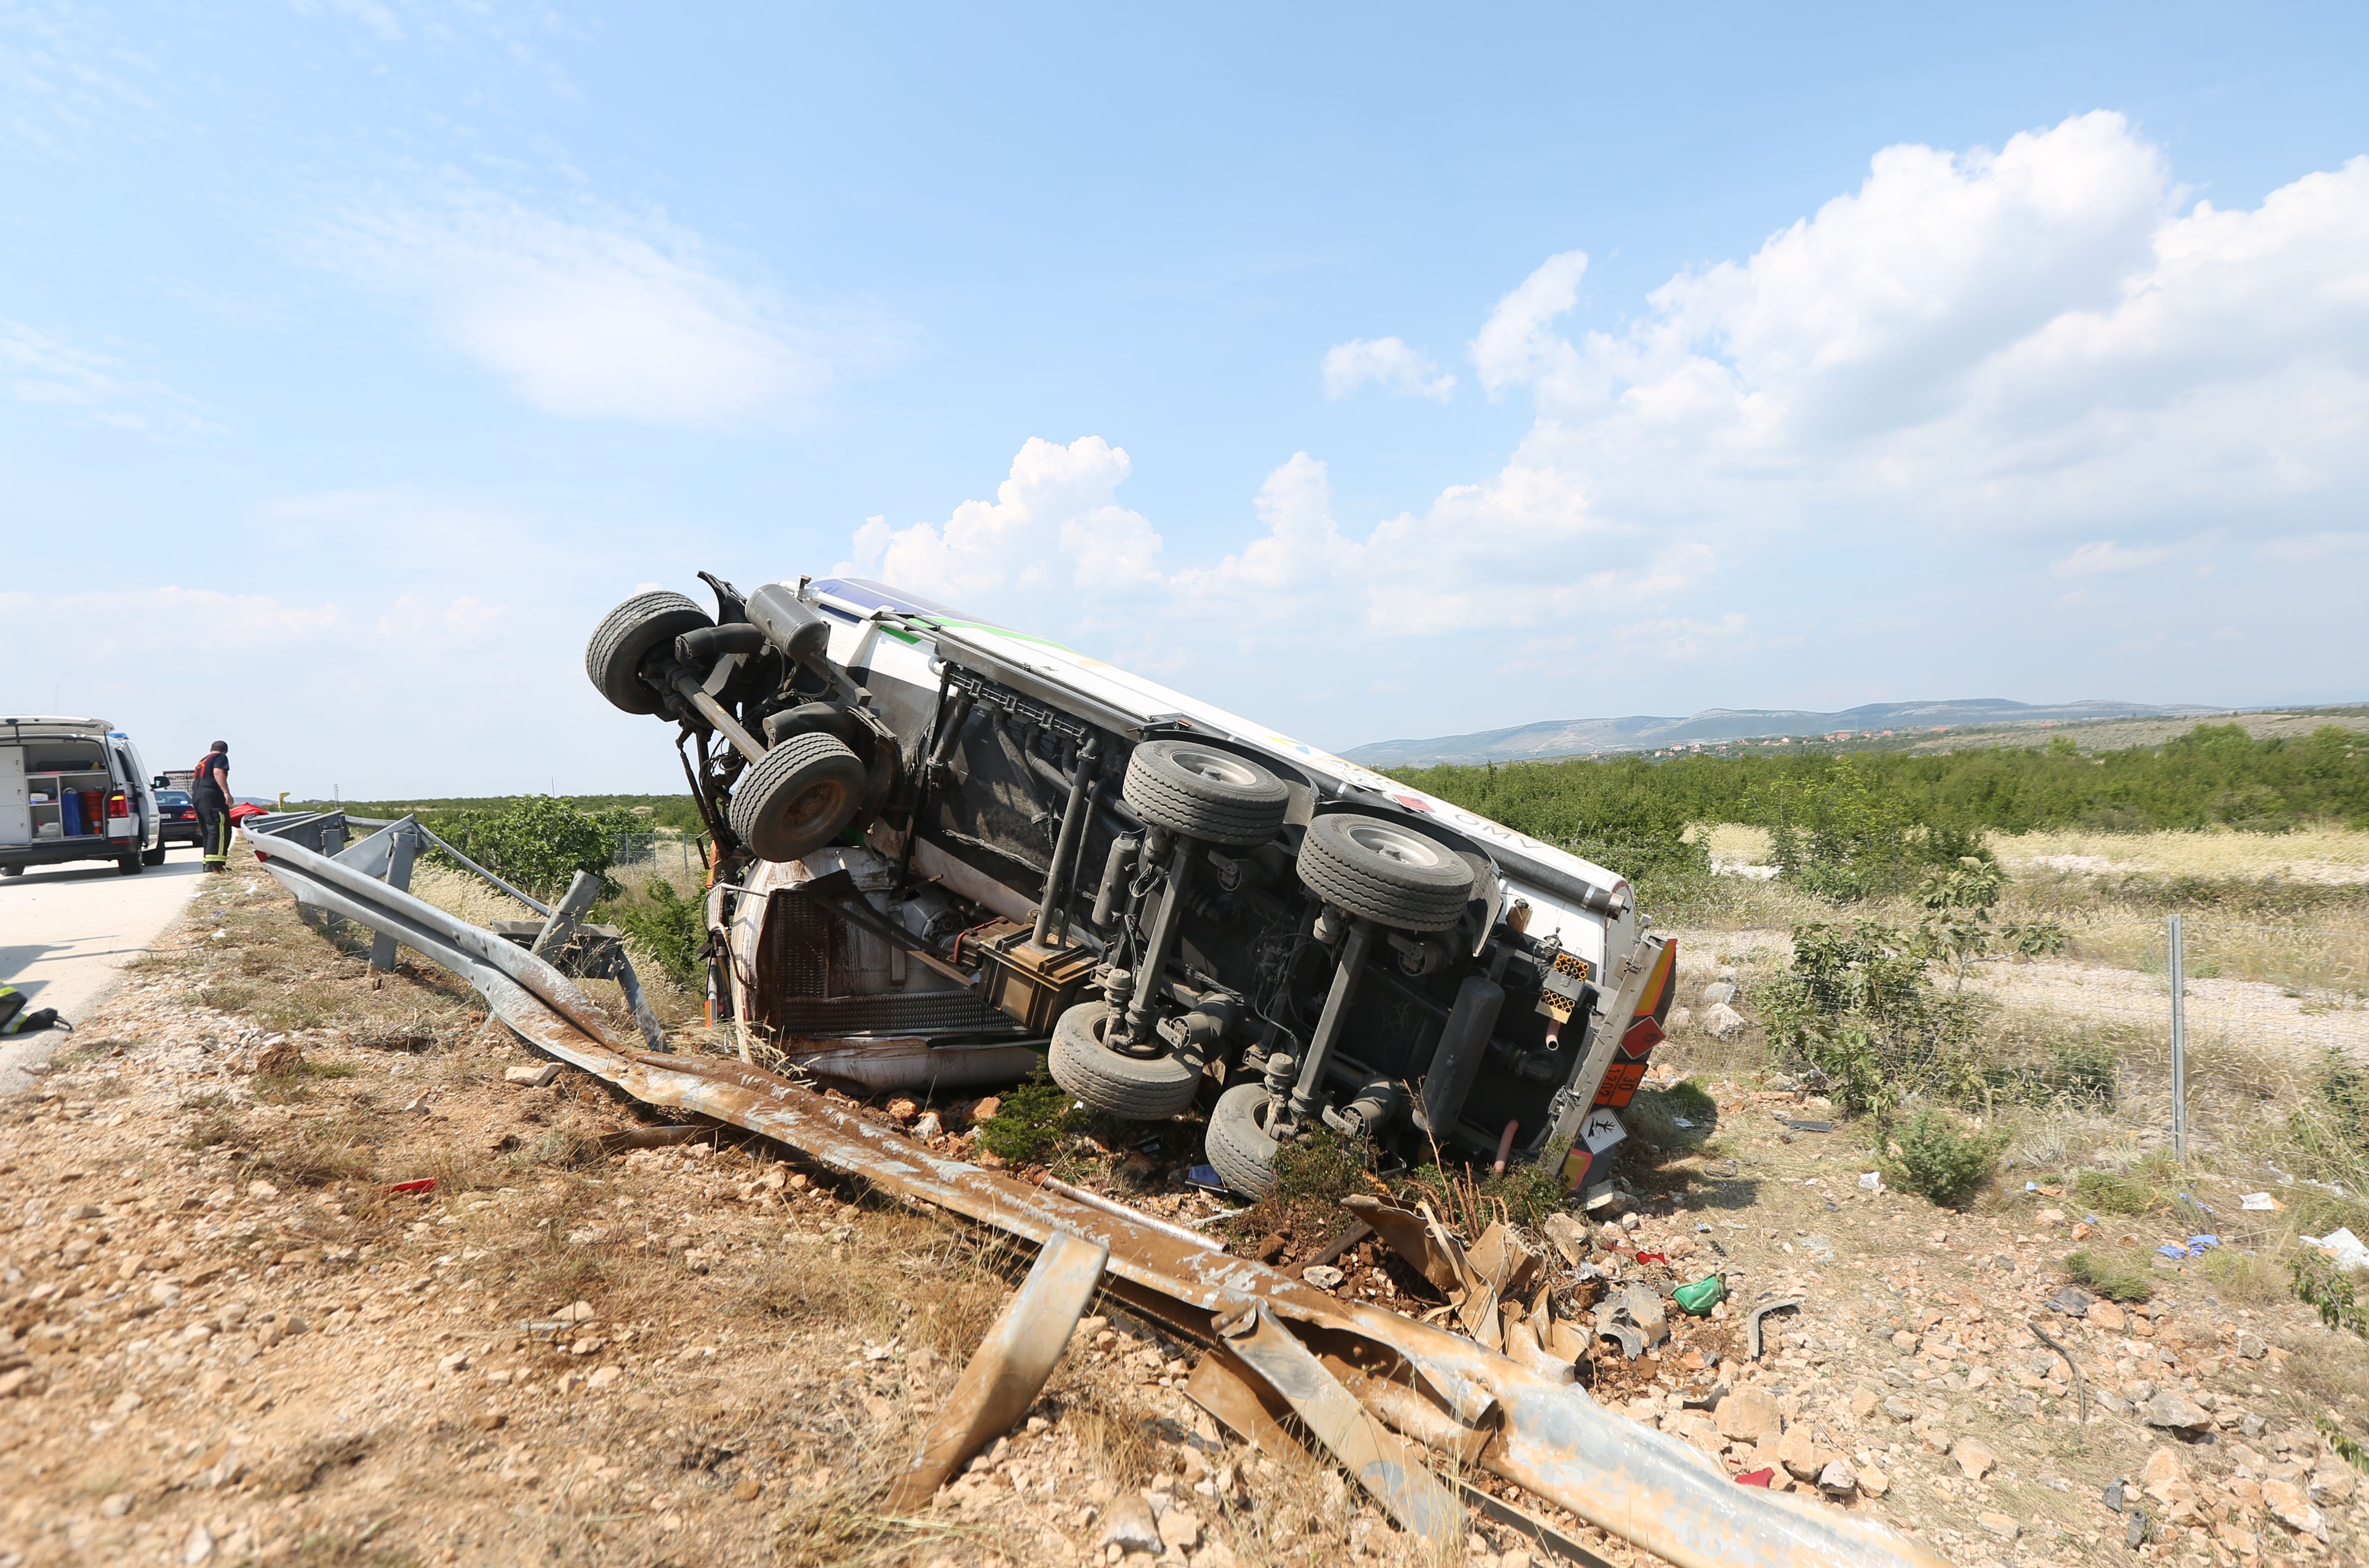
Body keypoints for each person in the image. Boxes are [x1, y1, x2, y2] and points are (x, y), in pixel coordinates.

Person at [194, 741, 233, 872]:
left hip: (198, 796)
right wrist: (226, 793)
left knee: (208, 830)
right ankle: (216, 864)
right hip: (212, 796)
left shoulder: (203, 761)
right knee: (219, 828)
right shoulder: (220, 757)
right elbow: (218, 772)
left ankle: (208, 863)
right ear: (225, 751)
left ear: (211, 749)